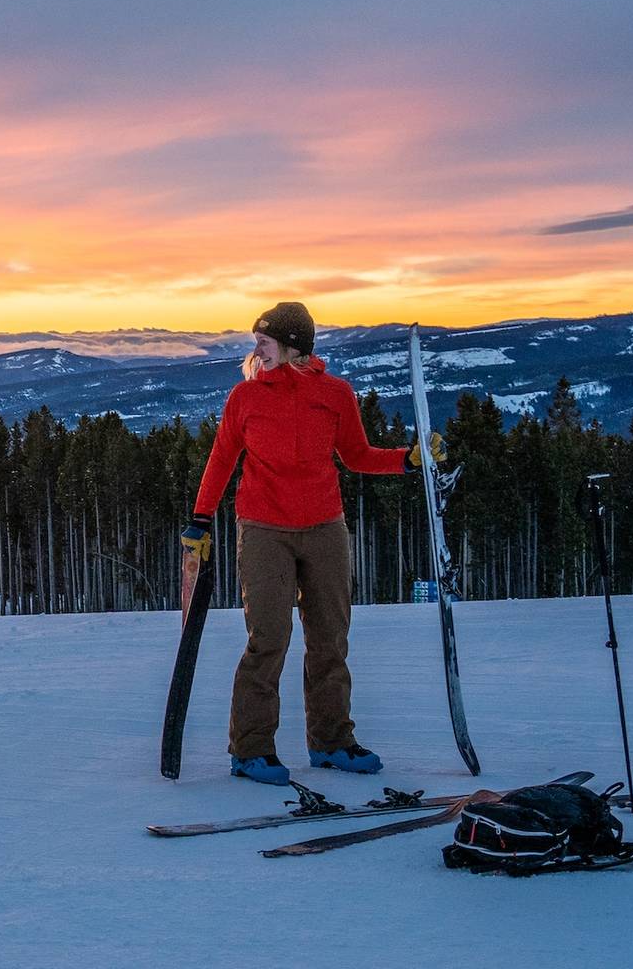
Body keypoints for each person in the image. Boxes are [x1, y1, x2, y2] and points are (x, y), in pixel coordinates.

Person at [181, 302, 444, 786]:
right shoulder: (245, 398)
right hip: (263, 529)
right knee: (269, 639)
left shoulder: (335, 395)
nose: (255, 348)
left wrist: (407, 461)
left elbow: (358, 456)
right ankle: (251, 750)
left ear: (293, 346)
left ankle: (331, 743)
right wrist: (200, 518)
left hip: (325, 528)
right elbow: (221, 459)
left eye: (264, 340)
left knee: (330, 639)